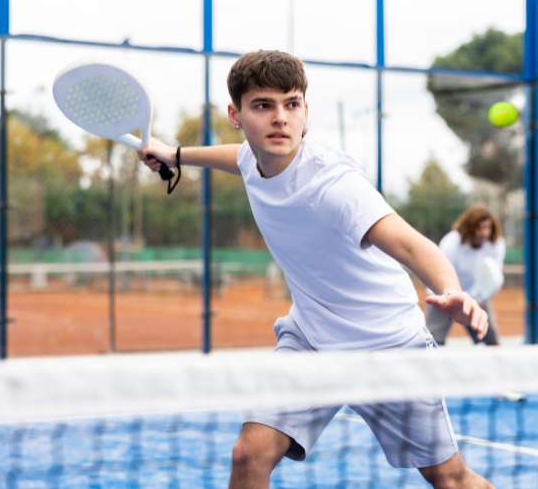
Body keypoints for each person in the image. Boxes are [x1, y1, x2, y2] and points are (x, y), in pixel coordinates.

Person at [139, 50, 494, 489]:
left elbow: (411, 244)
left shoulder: (334, 185)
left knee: (450, 479)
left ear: (306, 111)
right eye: (263, 106)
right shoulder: (255, 157)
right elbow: (236, 158)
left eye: (291, 104)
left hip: (388, 346)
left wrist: (451, 289)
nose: (279, 119)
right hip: (311, 341)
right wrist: (175, 154)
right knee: (247, 455)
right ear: (237, 115)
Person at [426, 204, 506, 346]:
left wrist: (482, 297)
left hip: (476, 297)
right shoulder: (451, 242)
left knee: (492, 341)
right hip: (444, 294)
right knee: (432, 342)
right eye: (479, 227)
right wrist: (451, 298)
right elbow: (441, 274)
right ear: (469, 227)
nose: (484, 232)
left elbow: (495, 276)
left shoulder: (497, 243)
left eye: (488, 227)